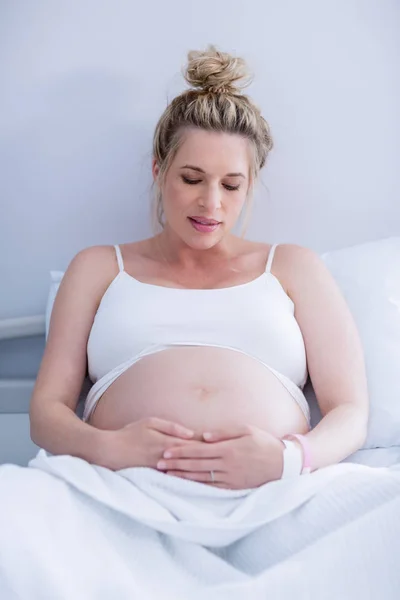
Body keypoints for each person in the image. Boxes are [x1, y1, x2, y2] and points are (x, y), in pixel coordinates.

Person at [29, 45, 369, 490]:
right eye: (191, 179)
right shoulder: (97, 268)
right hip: (119, 488)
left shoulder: (292, 267)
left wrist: (290, 459)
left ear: (250, 185)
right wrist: (108, 449)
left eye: (231, 185)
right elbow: (46, 412)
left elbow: (350, 412)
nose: (211, 203)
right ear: (159, 170)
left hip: (276, 491)